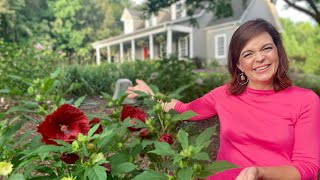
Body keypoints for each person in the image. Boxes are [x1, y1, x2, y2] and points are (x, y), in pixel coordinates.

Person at [126, 18, 320, 180]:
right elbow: (185, 110)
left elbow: (308, 167)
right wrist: (149, 95)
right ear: (239, 65)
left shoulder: (305, 101)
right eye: (248, 54)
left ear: (278, 52)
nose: (260, 58)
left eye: (266, 48)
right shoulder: (224, 95)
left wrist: (259, 172)